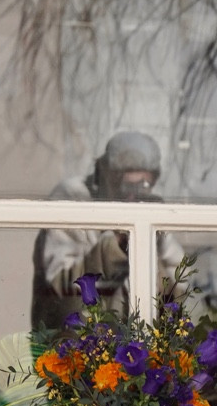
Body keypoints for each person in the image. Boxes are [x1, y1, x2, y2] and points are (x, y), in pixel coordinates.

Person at [31, 130, 182, 331]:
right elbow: (59, 284)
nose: (132, 195)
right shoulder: (74, 197)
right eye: (124, 185)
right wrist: (115, 246)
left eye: (143, 185)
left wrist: (153, 258)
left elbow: (180, 284)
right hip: (72, 345)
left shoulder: (148, 208)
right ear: (106, 175)